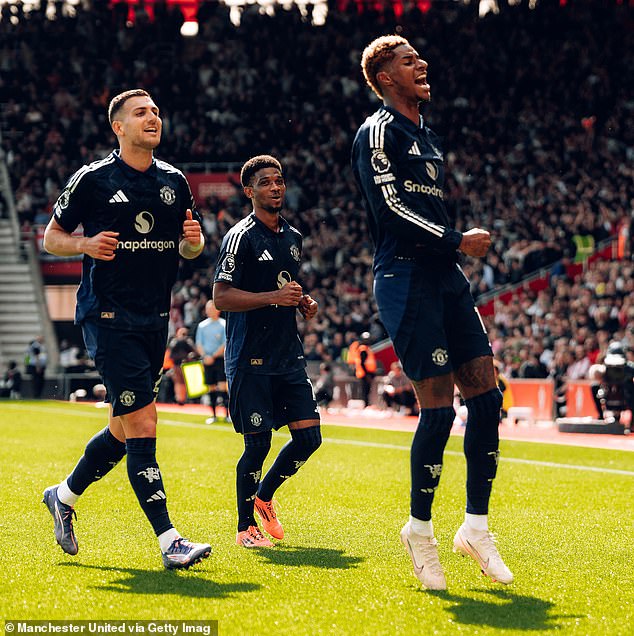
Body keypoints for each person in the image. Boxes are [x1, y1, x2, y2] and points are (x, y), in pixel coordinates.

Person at [351, 35, 513, 590]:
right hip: (405, 277)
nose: (422, 64)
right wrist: (456, 238)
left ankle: (475, 527)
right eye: (408, 60)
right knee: (439, 411)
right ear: (385, 75)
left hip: (445, 276)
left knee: (487, 398)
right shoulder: (378, 132)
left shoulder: (427, 136)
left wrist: (452, 248)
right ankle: (420, 531)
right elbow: (391, 208)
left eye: (421, 56)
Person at [41, 88, 211, 569]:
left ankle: (64, 496)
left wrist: (194, 244)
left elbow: (188, 251)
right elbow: (52, 238)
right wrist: (86, 244)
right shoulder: (93, 179)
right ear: (119, 127)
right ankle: (170, 541)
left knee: (121, 429)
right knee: (144, 424)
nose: (152, 118)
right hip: (107, 316)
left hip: (154, 318)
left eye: (156, 111)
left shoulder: (175, 181)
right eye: (141, 113)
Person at [213, 154, 321, 548]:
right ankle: (245, 529)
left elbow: (285, 286)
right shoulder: (240, 236)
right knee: (257, 445)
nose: (275, 187)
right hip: (250, 357)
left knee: (310, 439)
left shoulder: (293, 238)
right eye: (265, 182)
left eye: (279, 180)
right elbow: (221, 297)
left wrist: (301, 301)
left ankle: (265, 497)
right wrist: (274, 296)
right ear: (249, 191)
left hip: (287, 355)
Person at [195, 299, 228, 423]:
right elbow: (199, 343)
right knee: (211, 387)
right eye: (208, 308)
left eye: (212, 308)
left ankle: (226, 415)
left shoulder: (223, 324)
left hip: (219, 359)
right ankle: (213, 415)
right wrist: (205, 356)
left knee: (223, 386)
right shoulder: (202, 325)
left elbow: (225, 343)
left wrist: (213, 356)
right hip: (207, 360)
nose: (210, 310)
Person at [167, 326, 198, 405]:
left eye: (184, 333)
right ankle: (179, 398)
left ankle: (185, 398)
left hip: (187, 365)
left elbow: (194, 351)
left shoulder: (188, 341)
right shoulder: (174, 341)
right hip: (176, 365)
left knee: (186, 382)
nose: (183, 335)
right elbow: (171, 353)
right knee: (178, 382)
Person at [347, 331, 377, 406]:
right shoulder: (363, 349)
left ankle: (366, 404)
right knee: (365, 390)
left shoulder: (364, 348)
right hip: (365, 373)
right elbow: (362, 363)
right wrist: (367, 374)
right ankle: (366, 405)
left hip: (364, 373)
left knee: (365, 390)